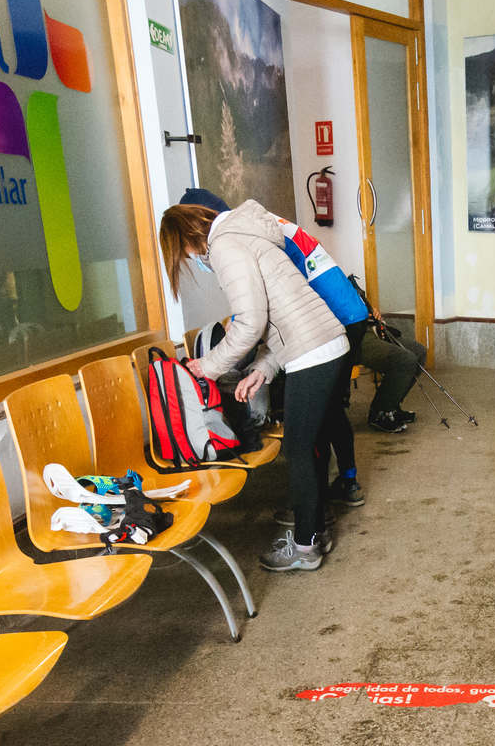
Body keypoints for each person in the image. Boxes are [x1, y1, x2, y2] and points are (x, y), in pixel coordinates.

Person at [159, 200, 348, 572]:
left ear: (187, 237)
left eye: (183, 252)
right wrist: (263, 368)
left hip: (312, 353)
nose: (190, 259)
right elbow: (285, 316)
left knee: (297, 451)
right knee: (310, 446)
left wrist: (207, 367)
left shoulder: (226, 246)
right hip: (324, 346)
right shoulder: (247, 235)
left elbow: (249, 321)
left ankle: (305, 546)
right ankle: (316, 528)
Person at [180, 187, 424, 441]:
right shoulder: (263, 223)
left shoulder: (237, 239)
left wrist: (229, 333)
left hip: (328, 323)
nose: (196, 254)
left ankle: (332, 469)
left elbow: (272, 294)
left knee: (323, 413)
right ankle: (342, 471)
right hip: (344, 315)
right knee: (330, 408)